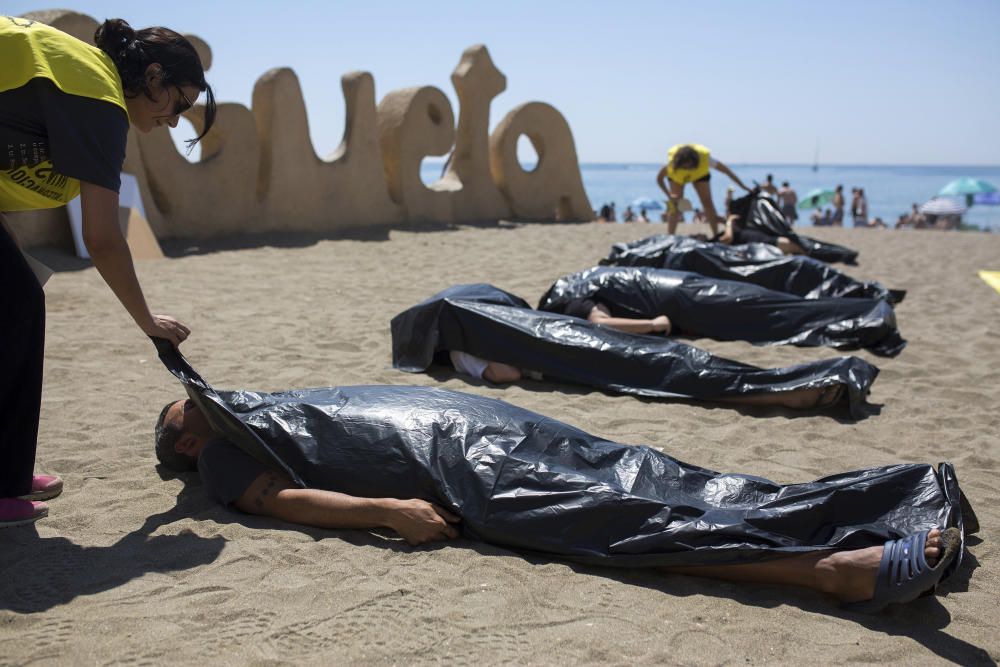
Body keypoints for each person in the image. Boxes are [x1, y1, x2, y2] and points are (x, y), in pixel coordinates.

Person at [152, 387, 965, 613]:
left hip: (476, 427)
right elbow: (285, 498)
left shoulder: (253, 409)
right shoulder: (223, 453)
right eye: (182, 411)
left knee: (655, 475)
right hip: (456, 468)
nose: (197, 401)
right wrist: (384, 512)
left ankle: (890, 502)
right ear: (184, 443)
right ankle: (836, 569)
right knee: (625, 519)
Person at [0, 16, 215, 527]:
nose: (176, 120)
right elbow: (102, 238)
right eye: (179, 104)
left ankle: (6, 472)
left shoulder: (87, 87)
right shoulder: (96, 94)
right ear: (155, 76)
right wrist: (148, 322)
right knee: (17, 307)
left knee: (17, 302)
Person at [655, 144, 750, 236]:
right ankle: (671, 235)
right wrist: (669, 195)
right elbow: (659, 179)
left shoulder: (706, 160)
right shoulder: (671, 165)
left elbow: (727, 171)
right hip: (677, 177)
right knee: (674, 204)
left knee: (707, 202)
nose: (687, 168)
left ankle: (715, 234)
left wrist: (743, 186)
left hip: (700, 175)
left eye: (689, 165)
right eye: (685, 166)